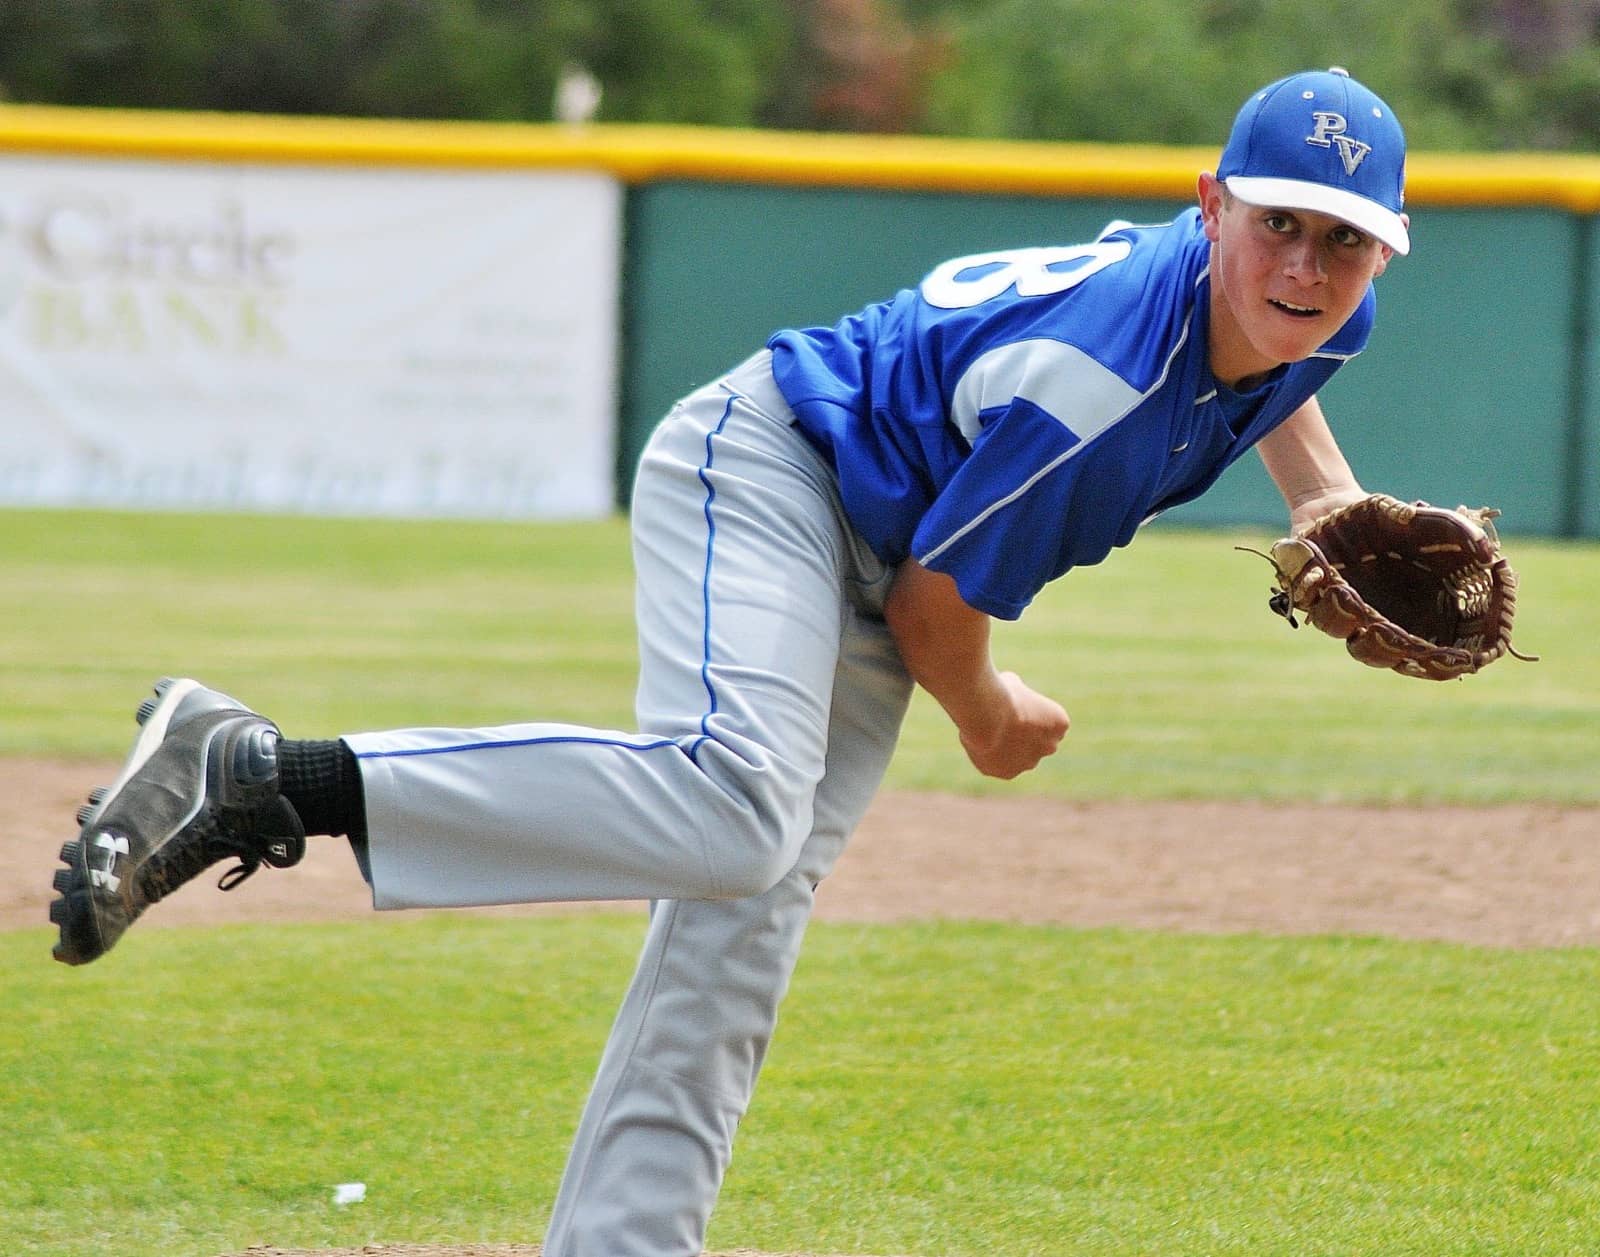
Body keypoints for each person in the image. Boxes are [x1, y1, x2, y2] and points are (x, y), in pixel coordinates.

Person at [49, 67, 1409, 1256]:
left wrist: (1324, 506)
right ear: (1212, 201)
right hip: (774, 470)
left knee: (743, 906)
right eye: (1278, 219)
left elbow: (1286, 379)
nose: (1304, 265)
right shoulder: (1097, 389)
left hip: (880, 538)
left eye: (1342, 240)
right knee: (734, 805)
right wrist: (989, 717)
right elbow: (941, 611)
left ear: (1381, 257)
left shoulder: (1314, 319)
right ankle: (264, 775)